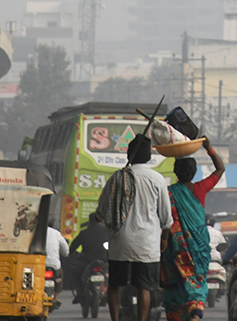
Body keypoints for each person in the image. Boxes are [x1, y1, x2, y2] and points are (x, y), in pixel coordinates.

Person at [98, 135, 173, 321]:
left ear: (129, 154)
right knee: (144, 287)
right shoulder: (157, 179)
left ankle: (115, 319)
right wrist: (164, 240)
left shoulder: (117, 177)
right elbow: (166, 218)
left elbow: (101, 209)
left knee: (115, 284)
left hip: (119, 242)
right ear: (148, 156)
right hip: (147, 244)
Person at [162, 137, 223, 321]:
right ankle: (195, 313)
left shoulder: (169, 192)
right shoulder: (201, 188)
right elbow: (220, 169)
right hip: (199, 247)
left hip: (175, 248)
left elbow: (164, 221)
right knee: (196, 282)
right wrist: (209, 148)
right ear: (195, 172)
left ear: (175, 172)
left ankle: (176, 315)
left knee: (175, 285)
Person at [68, 212, 110, 304]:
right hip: (103, 261)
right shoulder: (106, 232)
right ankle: (105, 292)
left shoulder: (84, 232)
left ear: (89, 222)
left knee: (75, 273)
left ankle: (79, 293)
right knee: (108, 275)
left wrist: (71, 252)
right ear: (100, 221)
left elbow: (73, 246)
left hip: (87, 261)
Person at [46, 221, 71, 309]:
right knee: (60, 276)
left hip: (39, 264)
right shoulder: (56, 233)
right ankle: (56, 299)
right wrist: (66, 254)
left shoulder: (35, 232)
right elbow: (65, 251)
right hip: (54, 265)